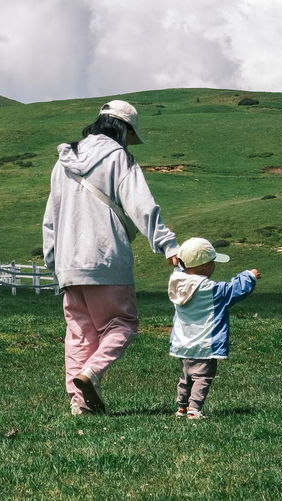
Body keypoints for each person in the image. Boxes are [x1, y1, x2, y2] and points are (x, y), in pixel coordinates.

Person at [42, 99, 179, 415]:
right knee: (122, 323)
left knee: (79, 332)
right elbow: (142, 206)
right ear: (124, 129)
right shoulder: (120, 159)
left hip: (68, 264)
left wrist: (54, 262)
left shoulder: (62, 162)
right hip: (106, 260)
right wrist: (168, 245)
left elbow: (51, 218)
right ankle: (92, 372)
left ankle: (79, 404)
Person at [168, 236, 261, 419]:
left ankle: (182, 408)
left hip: (182, 343)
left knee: (186, 378)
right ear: (204, 267)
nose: (213, 266)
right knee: (202, 378)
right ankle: (194, 409)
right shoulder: (212, 291)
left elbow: (179, 269)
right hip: (204, 344)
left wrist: (179, 262)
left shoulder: (177, 282)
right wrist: (250, 276)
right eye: (212, 262)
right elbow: (235, 290)